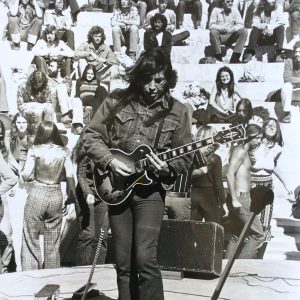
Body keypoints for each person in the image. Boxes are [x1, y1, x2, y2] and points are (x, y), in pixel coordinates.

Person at [82, 48, 192, 300]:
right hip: (116, 188)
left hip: (150, 192)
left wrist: (169, 167)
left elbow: (185, 155)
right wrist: (109, 160)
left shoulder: (178, 110)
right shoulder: (116, 100)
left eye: (159, 80)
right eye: (147, 79)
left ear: (168, 78)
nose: (152, 86)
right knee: (123, 262)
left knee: (145, 258)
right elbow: (91, 135)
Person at [21, 121, 76, 270]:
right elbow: (71, 177)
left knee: (30, 238)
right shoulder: (64, 151)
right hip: (56, 194)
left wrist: (27, 176)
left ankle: (31, 277)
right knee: (52, 243)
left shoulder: (35, 150)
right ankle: (51, 281)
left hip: (38, 191)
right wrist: (71, 198)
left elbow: (26, 174)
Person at [225, 124, 265, 259]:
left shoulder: (244, 152)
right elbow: (230, 174)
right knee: (258, 235)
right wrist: (235, 199)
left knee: (238, 234)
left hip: (241, 197)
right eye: (258, 138)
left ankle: (227, 267)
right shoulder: (240, 151)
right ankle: (242, 266)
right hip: (240, 198)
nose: (259, 141)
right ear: (249, 137)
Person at [73, 134, 110, 266]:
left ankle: (98, 271)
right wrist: (88, 192)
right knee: (87, 235)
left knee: (101, 237)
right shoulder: (87, 146)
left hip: (104, 195)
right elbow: (81, 175)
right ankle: (82, 271)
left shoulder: (109, 147)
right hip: (86, 195)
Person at [251, 118, 293, 230]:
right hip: (252, 183)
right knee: (250, 217)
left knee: (265, 220)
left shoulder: (278, 149)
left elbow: (273, 165)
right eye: (268, 125)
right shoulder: (255, 144)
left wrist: (285, 183)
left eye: (274, 126)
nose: (271, 127)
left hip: (267, 185)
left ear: (277, 131)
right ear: (263, 128)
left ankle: (261, 243)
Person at [190, 125, 226, 224]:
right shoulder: (216, 158)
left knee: (191, 229)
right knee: (212, 231)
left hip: (193, 194)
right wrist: (223, 202)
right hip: (210, 197)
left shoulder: (192, 156)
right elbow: (218, 184)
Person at [46, 59, 84, 134]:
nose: (49, 68)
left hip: (64, 103)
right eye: (49, 66)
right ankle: (65, 114)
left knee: (77, 100)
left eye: (52, 66)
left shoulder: (67, 80)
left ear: (59, 69)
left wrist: (62, 82)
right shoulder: (47, 79)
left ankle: (77, 125)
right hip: (53, 103)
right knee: (60, 87)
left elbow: (68, 95)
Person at [0, 120, 18, 274]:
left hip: (2, 200)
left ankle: (5, 271)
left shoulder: (3, 151)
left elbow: (11, 178)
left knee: (6, 237)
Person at [17, 70, 56, 134]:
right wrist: (34, 105)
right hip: (27, 108)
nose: (37, 87)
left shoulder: (46, 87)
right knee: (37, 112)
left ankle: (48, 132)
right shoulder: (22, 86)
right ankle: (36, 133)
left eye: (40, 85)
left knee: (50, 110)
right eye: (36, 84)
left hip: (41, 106)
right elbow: (20, 105)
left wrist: (40, 105)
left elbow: (49, 101)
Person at [279, 40, 300, 123]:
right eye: (296, 51)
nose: (297, 54)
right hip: (293, 93)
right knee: (286, 86)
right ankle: (287, 114)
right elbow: (286, 78)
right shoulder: (288, 61)